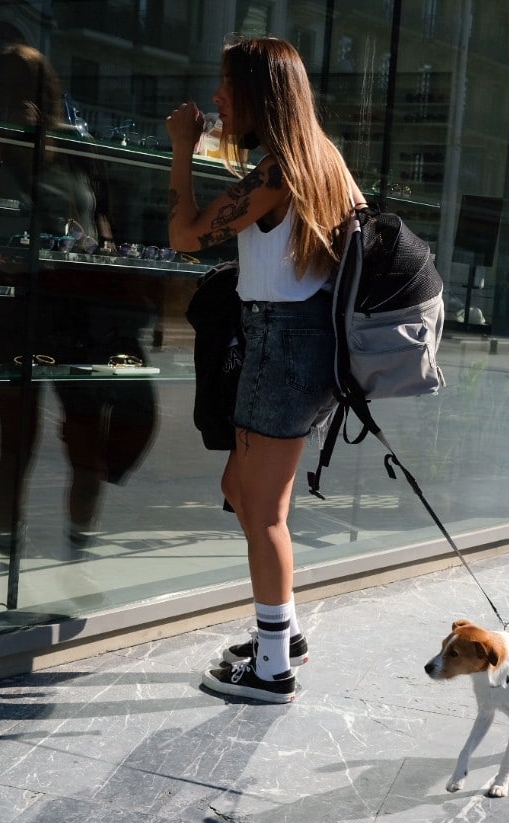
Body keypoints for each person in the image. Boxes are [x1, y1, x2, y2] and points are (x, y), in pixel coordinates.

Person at [166, 36, 364, 703]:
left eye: (226, 86)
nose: (217, 97)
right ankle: (283, 633)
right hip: (296, 344)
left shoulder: (279, 173)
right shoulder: (322, 161)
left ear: (259, 93)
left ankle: (274, 666)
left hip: (282, 346)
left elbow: (186, 235)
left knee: (264, 509)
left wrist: (181, 151)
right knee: (246, 491)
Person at [0, 43, 157, 557]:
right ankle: (10, 560)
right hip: (14, 308)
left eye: (31, 88)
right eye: (10, 89)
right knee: (17, 444)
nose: (22, 100)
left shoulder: (74, 148)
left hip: (77, 312)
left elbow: (100, 224)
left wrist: (110, 260)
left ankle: (79, 551)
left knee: (83, 443)